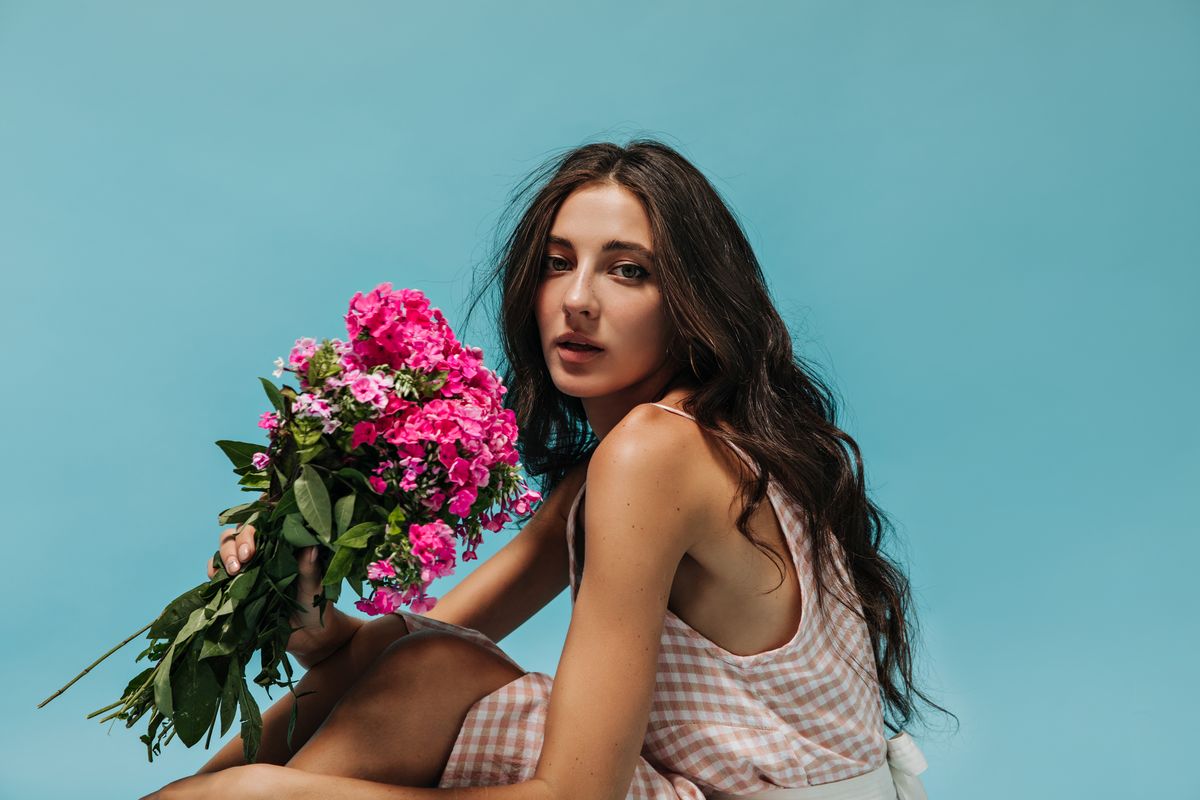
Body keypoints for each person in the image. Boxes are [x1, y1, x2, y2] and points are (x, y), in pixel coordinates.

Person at [143, 139, 952, 800]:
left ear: (694, 302)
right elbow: (418, 641)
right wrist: (304, 612)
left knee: (301, 757)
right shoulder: (654, 451)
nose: (578, 299)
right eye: (559, 262)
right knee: (430, 660)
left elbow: (576, 797)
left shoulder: (657, 452)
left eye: (627, 270)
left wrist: (261, 793)